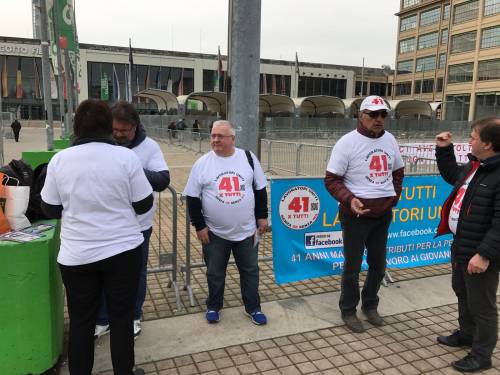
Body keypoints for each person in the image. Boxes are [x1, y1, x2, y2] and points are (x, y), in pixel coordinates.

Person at [41, 99, 152, 375]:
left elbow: (50, 208)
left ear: (76, 127)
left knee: (81, 322)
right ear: (108, 127)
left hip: (77, 255)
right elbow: (144, 204)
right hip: (122, 251)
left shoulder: (59, 160)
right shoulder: (126, 158)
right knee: (122, 318)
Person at [324, 95, 404, 333]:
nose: (379, 119)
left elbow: (398, 172)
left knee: (378, 265)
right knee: (352, 266)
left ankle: (370, 305)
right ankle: (348, 310)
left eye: (383, 114)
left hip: (382, 216)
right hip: (355, 217)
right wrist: (350, 200)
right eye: (373, 114)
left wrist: (393, 197)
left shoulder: (390, 140)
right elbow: (331, 180)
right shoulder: (347, 143)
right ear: (361, 115)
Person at [95, 100, 170, 339]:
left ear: (135, 126)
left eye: (124, 131)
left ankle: (134, 316)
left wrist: (132, 167)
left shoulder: (149, 147)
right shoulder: (101, 144)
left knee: (136, 274)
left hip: (139, 227)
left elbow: (162, 180)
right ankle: (103, 319)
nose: (118, 135)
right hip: (106, 224)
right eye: (114, 130)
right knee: (104, 275)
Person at [184, 120, 269, 325]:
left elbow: (259, 190)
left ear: (232, 138)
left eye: (220, 136)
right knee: (214, 273)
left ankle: (253, 308)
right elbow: (192, 198)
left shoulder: (248, 158)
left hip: (247, 231)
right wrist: (200, 226)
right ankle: (213, 306)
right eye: (213, 135)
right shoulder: (202, 163)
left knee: (250, 271)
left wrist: (262, 216)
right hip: (214, 233)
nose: (215, 139)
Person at [434, 118, 500, 373]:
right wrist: (444, 149)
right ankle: (467, 334)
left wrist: (484, 254)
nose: (469, 140)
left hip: (479, 252)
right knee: (462, 292)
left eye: (473, 136)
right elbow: (453, 174)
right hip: (462, 244)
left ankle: (482, 355)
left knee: (482, 305)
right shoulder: (477, 166)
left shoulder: (496, 174)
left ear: (488, 143)